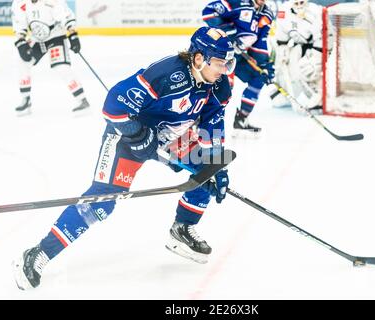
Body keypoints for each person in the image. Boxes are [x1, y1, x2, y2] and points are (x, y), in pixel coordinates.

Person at [12, 26, 234, 290]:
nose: (225, 69)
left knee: (206, 171)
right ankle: (40, 252)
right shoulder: (167, 74)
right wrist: (139, 136)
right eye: (220, 63)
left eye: (227, 62)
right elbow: (114, 106)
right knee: (100, 203)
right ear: (199, 59)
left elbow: (212, 120)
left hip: (171, 135)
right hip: (128, 137)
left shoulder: (217, 84)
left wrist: (217, 163)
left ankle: (182, 228)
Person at [202, 0, 274, 136]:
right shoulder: (238, 2)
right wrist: (229, 33)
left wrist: (264, 63)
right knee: (223, 87)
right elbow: (209, 11)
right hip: (221, 55)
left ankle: (241, 120)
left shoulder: (267, 14)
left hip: (240, 55)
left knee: (258, 78)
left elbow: (261, 40)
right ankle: (199, 119)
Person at [11, 0, 90, 115]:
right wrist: (20, 43)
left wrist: (73, 35)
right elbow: (19, 23)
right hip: (37, 38)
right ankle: (26, 99)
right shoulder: (19, 2)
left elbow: (65, 15)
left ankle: (82, 99)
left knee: (61, 67)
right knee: (23, 62)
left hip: (55, 36)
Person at [270, 0, 334, 114]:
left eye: (301, 2)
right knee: (282, 65)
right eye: (296, 3)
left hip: (317, 47)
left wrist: (317, 57)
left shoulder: (317, 11)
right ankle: (284, 92)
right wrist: (283, 49)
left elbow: (325, 38)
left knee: (309, 69)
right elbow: (282, 34)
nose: (299, 6)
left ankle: (320, 96)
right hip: (298, 46)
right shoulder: (284, 11)